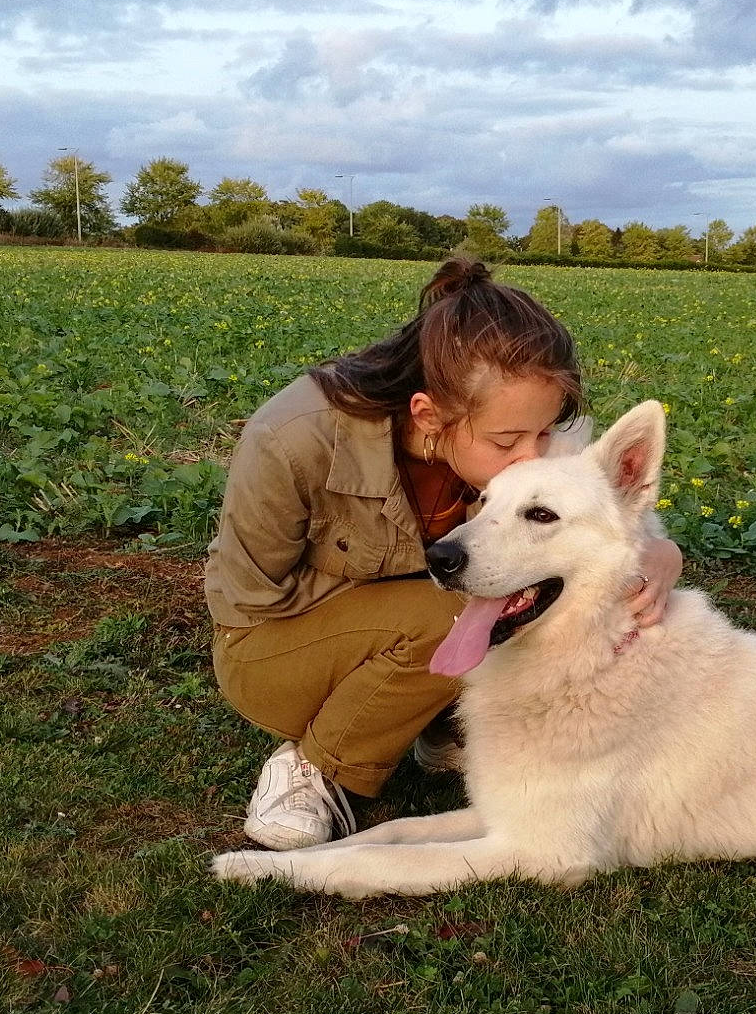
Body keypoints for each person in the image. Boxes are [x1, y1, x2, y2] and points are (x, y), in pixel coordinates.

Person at [205, 253, 683, 849]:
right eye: (507, 442)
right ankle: (313, 766)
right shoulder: (292, 440)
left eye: (544, 432)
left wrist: (662, 552)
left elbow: (599, 518)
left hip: (423, 629)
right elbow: (249, 600)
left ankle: (433, 717)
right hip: (273, 648)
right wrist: (390, 613)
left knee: (517, 602)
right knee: (454, 611)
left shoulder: (521, 428)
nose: (532, 457)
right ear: (429, 416)